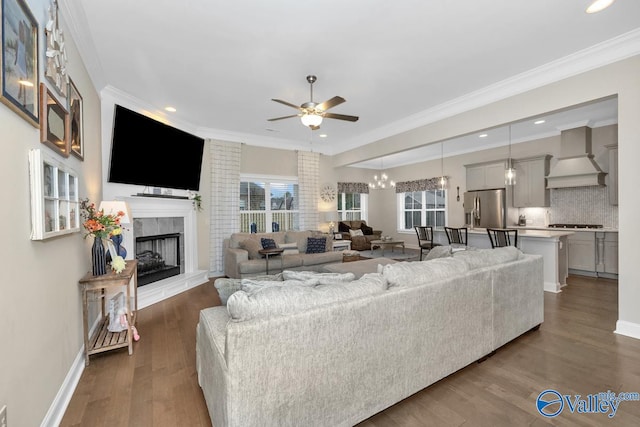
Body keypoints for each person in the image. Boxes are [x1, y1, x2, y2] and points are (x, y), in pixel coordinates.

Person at [15, 20, 28, 104]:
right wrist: (15, 60)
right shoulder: (18, 41)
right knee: (20, 78)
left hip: (22, 61)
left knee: (24, 80)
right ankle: (20, 92)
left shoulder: (23, 43)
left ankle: (24, 98)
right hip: (20, 60)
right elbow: (16, 51)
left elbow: (25, 56)